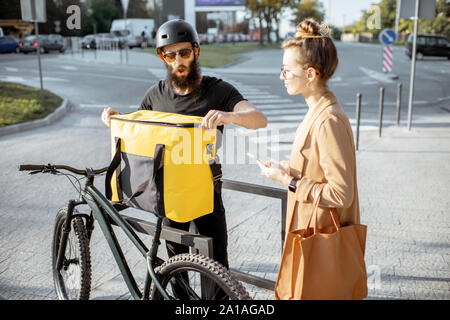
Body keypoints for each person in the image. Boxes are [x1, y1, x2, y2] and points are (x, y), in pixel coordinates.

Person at [101, 19, 267, 298]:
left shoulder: (218, 90)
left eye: (184, 52)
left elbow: (259, 119)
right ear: (162, 57)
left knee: (217, 269)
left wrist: (230, 115)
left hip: (204, 192)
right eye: (170, 54)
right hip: (167, 195)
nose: (178, 60)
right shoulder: (155, 94)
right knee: (175, 269)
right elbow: (140, 129)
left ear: (196, 51)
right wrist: (116, 119)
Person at [257, 18, 361, 296]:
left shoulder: (328, 119)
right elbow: (317, 169)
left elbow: (341, 194)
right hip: (309, 230)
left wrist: (289, 182)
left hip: (321, 238)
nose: (282, 76)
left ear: (311, 74)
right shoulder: (317, 110)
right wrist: (287, 169)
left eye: (287, 71)